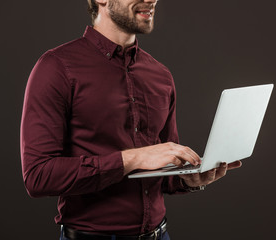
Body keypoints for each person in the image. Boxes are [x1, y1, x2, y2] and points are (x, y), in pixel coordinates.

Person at [20, 0, 242, 239]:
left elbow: (162, 172)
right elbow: (38, 176)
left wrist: (189, 179)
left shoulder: (161, 75)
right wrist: (132, 158)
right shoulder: (56, 67)